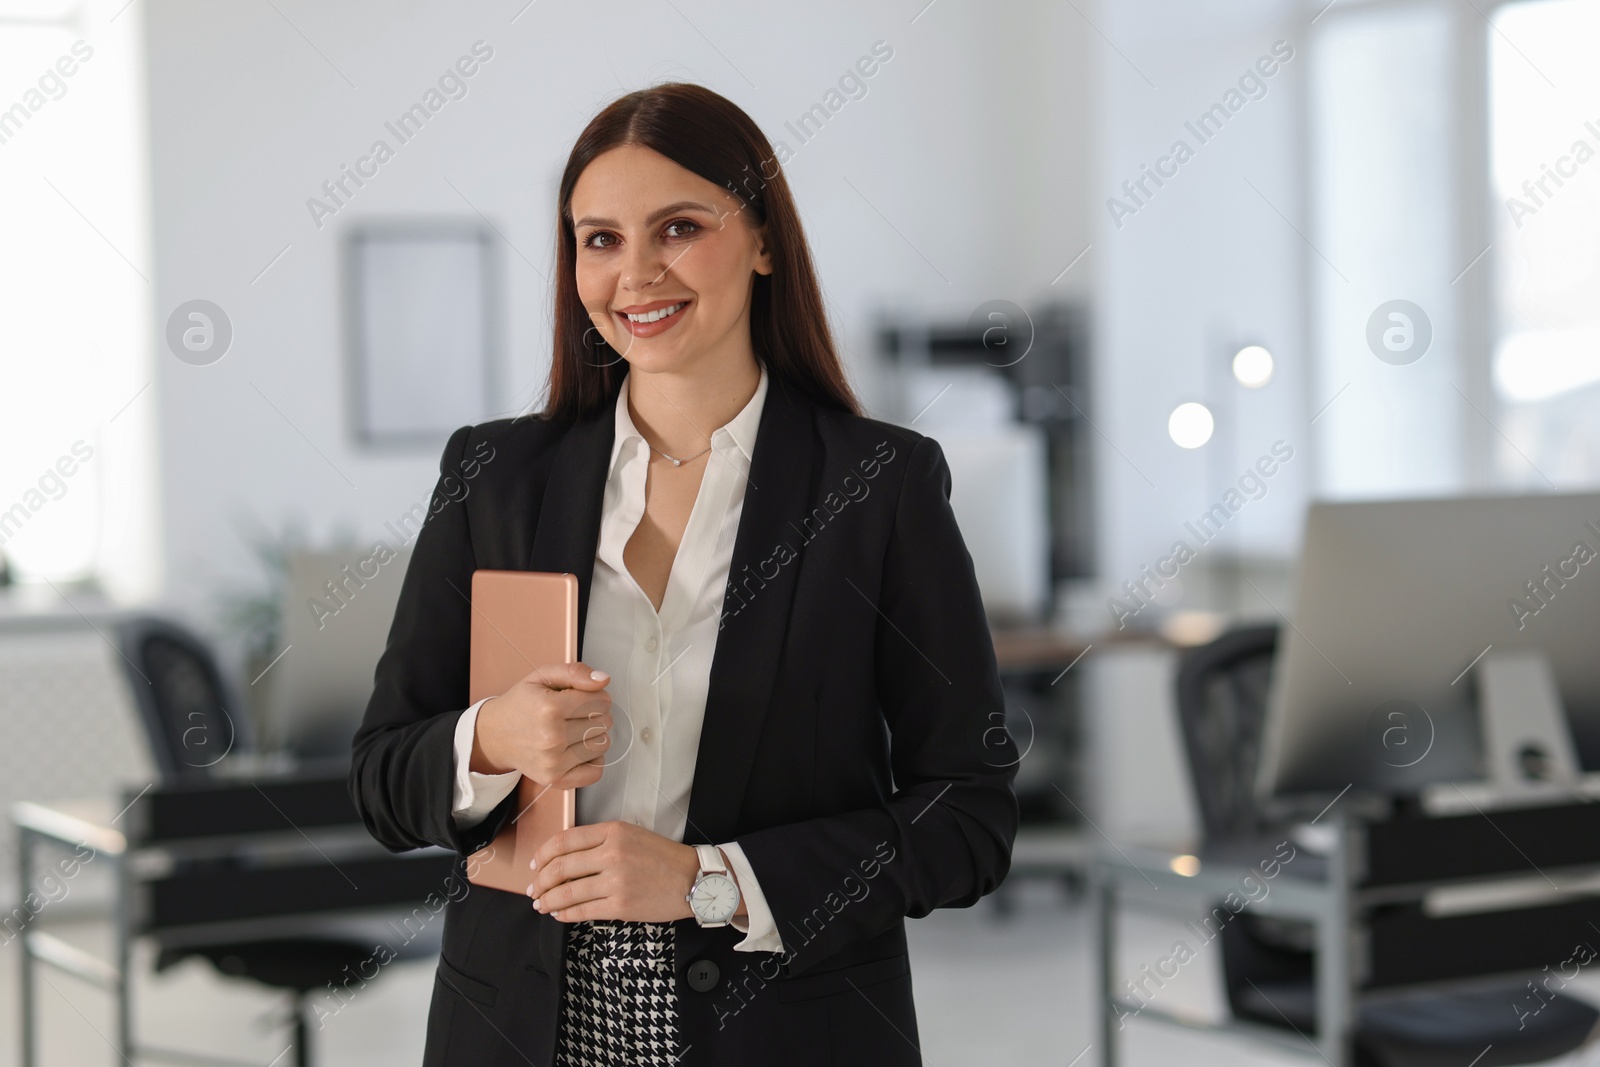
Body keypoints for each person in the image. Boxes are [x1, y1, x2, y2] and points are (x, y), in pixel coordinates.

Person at [349, 81, 1018, 1067]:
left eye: (677, 227)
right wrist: (490, 734)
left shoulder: (880, 485)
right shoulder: (494, 476)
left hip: (788, 1030)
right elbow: (379, 778)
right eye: (599, 239)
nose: (635, 273)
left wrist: (713, 880)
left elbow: (966, 814)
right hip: (520, 1025)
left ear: (762, 240)